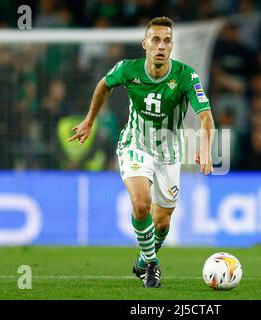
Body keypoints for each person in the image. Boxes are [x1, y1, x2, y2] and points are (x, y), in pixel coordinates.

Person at [68, 17, 215, 288]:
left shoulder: (186, 75)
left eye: (167, 41)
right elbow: (104, 85)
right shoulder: (128, 69)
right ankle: (152, 265)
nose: (161, 46)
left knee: (162, 222)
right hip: (135, 145)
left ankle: (142, 259)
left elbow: (205, 116)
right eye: (156, 40)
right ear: (145, 44)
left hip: (169, 154)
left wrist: (205, 146)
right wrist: (89, 119)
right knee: (140, 203)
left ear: (172, 46)